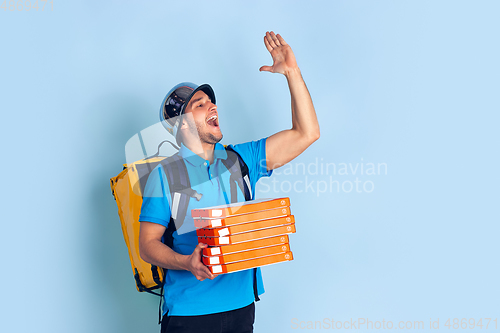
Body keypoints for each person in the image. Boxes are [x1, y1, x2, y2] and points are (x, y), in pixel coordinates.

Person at [138, 31, 320, 333]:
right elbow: (147, 245)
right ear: (182, 124)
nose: (213, 107)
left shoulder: (242, 160)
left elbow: (307, 133)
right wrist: (187, 263)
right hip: (189, 314)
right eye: (200, 104)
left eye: (212, 102)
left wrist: (292, 74)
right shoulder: (165, 175)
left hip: (241, 309)